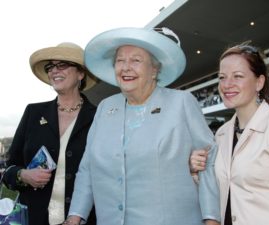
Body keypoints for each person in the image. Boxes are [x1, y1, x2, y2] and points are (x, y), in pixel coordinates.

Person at [64, 27, 221, 225]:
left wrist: (211, 219)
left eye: (136, 60)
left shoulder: (181, 103)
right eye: (120, 60)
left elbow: (209, 160)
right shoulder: (105, 108)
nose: (126, 67)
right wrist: (75, 217)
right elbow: (87, 168)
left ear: (154, 69)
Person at [190, 44, 269, 225]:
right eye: (222, 77)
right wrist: (196, 171)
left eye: (238, 76)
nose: (226, 85)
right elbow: (221, 189)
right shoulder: (222, 134)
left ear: (259, 82)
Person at [2, 42, 99, 225]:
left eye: (62, 65)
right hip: (36, 218)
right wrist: (23, 175)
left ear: (81, 73)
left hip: (84, 219)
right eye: (50, 67)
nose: (54, 71)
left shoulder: (99, 117)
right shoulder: (33, 113)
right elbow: (9, 169)